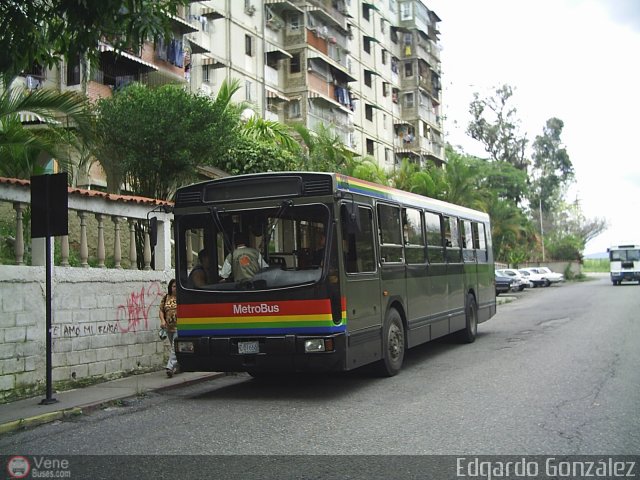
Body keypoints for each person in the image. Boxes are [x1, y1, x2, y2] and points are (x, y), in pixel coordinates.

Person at [159, 279, 178, 377]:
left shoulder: (182, 297)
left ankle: (169, 367)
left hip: (179, 327)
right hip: (169, 328)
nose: (175, 288)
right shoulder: (166, 297)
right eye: (174, 286)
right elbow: (161, 310)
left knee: (175, 347)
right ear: (170, 287)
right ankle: (178, 366)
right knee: (175, 348)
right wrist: (162, 321)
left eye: (176, 286)